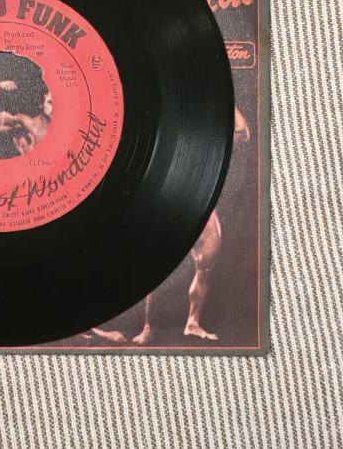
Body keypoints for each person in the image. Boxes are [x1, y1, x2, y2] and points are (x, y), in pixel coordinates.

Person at [92, 107, 251, 344]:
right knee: (155, 266)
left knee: (206, 265)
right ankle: (148, 327)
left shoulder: (209, 136)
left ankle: (193, 323)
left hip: (202, 206)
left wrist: (229, 105)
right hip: (169, 202)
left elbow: (242, 132)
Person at [0, 79, 52, 155]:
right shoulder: (26, 122)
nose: (53, 108)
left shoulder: (26, 121)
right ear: (41, 104)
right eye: (50, 103)